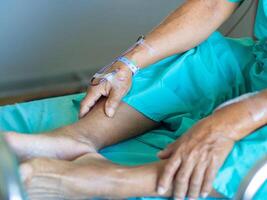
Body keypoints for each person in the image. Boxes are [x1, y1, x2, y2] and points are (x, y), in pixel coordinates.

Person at [3, 0, 267, 199]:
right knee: (202, 57)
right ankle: (77, 137)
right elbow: (213, 4)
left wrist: (232, 121)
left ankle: (115, 180)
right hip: (259, 66)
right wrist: (128, 64)